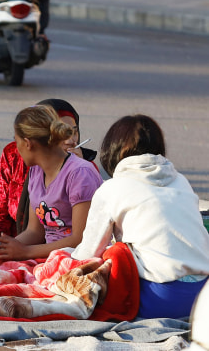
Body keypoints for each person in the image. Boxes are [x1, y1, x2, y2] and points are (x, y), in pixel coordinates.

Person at [72, 115, 209, 319]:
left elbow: (89, 251)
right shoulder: (181, 181)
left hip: (161, 299)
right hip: (203, 296)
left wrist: (64, 261)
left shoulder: (111, 189)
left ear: (112, 151)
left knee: (116, 253)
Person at [0, 105, 103, 261]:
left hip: (78, 260)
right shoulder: (36, 171)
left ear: (27, 143)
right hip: (48, 258)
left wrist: (25, 252)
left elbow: (80, 240)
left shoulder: (80, 174)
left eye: (17, 141)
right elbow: (35, 232)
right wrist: (2, 248)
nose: (17, 148)